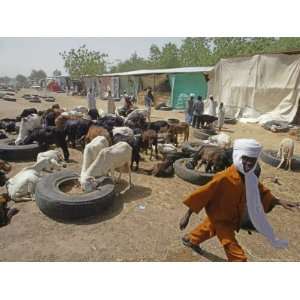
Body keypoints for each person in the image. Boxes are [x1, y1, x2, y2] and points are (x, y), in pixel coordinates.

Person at [179, 138, 299, 262]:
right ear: (237, 156)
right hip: (221, 219)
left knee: (209, 227)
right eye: (245, 159)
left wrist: (279, 201)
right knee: (234, 250)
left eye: (252, 161)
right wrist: (187, 215)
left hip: (232, 217)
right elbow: (201, 194)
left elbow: (262, 192)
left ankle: (190, 239)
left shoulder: (250, 177)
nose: (248, 164)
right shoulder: (223, 177)